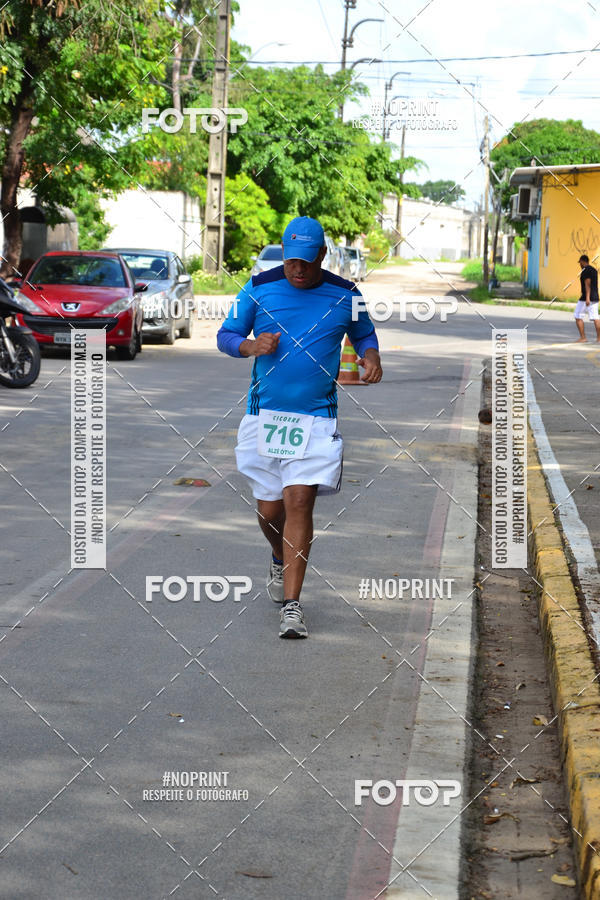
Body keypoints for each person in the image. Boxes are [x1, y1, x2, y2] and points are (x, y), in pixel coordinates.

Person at [217, 216, 382, 638]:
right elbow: (226, 333)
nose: (299, 270)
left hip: (316, 420)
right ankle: (279, 556)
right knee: (270, 510)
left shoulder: (347, 294)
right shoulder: (258, 286)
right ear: (284, 253)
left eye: (307, 262)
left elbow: (365, 334)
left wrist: (371, 356)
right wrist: (250, 345)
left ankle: (292, 606)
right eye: (292, 261)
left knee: (299, 502)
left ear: (322, 256)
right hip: (264, 417)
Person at [575, 254, 600, 342]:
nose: (580, 265)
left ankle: (583, 338)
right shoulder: (593, 270)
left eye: (580, 263)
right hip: (595, 296)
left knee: (577, 315)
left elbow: (587, 284)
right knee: (596, 317)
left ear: (582, 261)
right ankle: (599, 338)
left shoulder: (585, 271)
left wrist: (587, 298)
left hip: (587, 297)